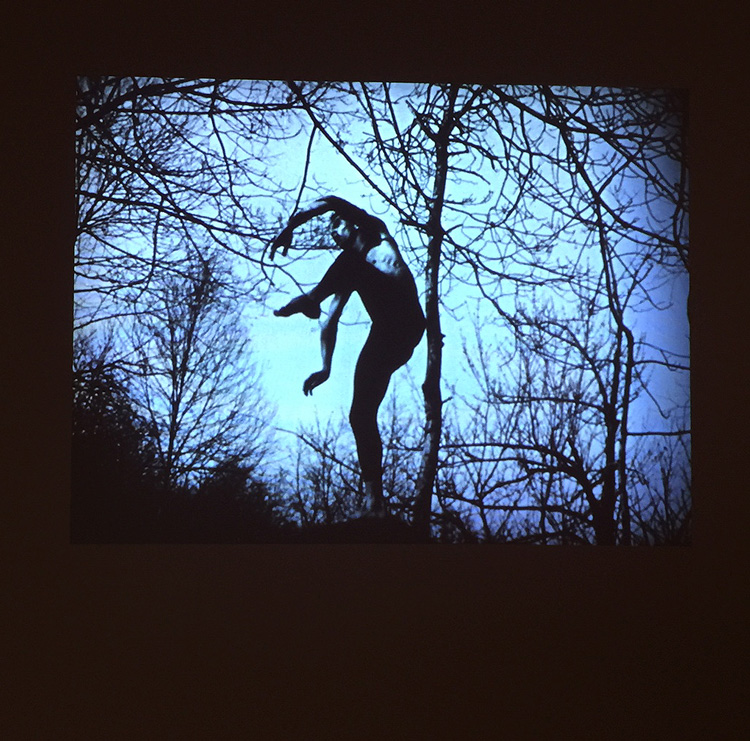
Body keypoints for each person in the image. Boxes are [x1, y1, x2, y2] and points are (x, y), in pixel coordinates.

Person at [270, 196, 425, 516]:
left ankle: (305, 301)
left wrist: (291, 226)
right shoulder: (349, 267)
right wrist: (325, 367)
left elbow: (328, 201)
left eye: (336, 230)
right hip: (387, 337)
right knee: (360, 415)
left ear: (349, 224)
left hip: (407, 323)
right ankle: (374, 501)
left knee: (347, 267)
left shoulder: (375, 233)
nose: (334, 238)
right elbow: (330, 318)